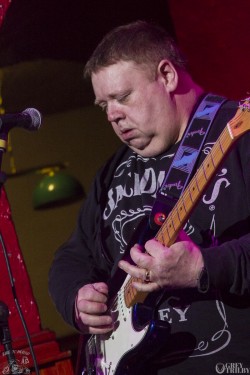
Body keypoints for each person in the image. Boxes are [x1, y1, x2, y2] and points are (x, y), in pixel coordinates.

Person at [49, 20, 250, 374]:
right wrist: (77, 299)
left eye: (122, 97)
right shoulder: (113, 171)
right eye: (103, 105)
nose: (112, 115)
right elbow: (71, 257)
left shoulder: (238, 139)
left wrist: (202, 268)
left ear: (168, 76)